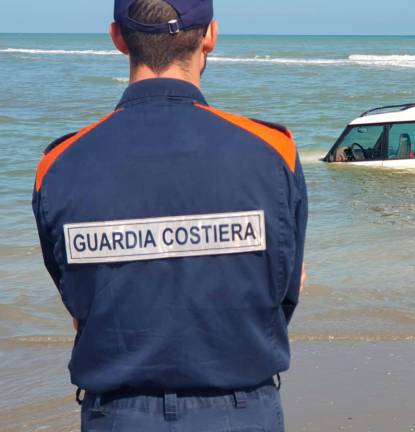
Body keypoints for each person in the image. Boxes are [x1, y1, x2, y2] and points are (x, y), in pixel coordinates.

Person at [31, 0, 307, 430]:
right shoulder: (274, 151)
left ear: (118, 38)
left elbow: (76, 298)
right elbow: (285, 291)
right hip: (239, 410)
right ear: (210, 36)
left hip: (118, 414)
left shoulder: (60, 164)